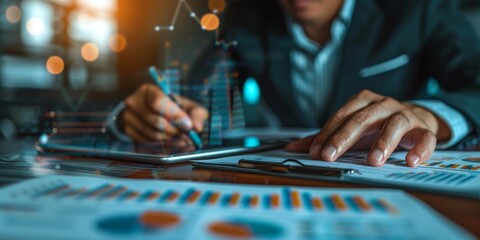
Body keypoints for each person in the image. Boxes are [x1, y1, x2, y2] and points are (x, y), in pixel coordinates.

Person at [115, 0, 480, 167]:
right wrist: (159, 114)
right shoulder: (247, 16)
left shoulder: (420, 8)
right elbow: (197, 99)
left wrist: (429, 115)